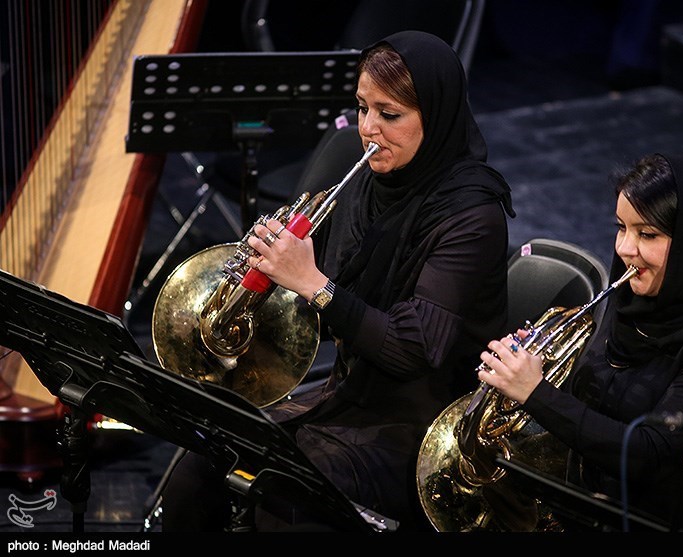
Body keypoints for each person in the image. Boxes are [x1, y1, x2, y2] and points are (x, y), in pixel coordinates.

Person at [160, 30, 515, 532]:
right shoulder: (365, 184)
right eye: (363, 108)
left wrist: (311, 281)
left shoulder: (473, 216)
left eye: (389, 115)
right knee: (198, 467)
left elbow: (409, 351)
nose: (369, 129)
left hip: (422, 429)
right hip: (347, 397)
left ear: (433, 118)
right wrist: (268, 274)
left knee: (283, 503)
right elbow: (323, 317)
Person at [478, 153, 683, 532]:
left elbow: (649, 453)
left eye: (648, 234)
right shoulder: (633, 302)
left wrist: (537, 393)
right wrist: (539, 364)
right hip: (597, 512)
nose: (624, 248)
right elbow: (593, 403)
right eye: (621, 227)